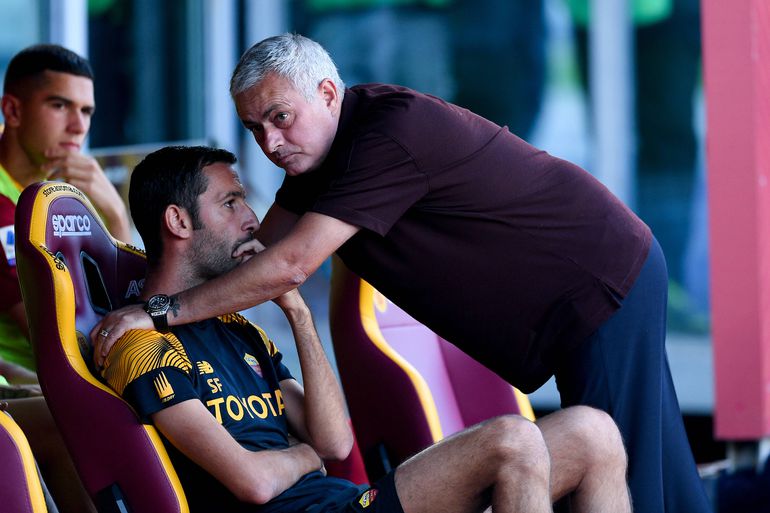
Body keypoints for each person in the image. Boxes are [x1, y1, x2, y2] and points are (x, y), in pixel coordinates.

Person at [93, 34, 709, 512]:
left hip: (595, 275)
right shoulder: (316, 164)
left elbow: (288, 264)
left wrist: (158, 311)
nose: (271, 143)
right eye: (255, 128)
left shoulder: (386, 134)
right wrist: (151, 270)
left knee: (629, 460)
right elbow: (257, 254)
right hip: (582, 286)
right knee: (643, 451)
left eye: (280, 117)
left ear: (328, 94)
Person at [101, 144, 630, 512]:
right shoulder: (141, 344)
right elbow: (255, 483)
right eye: (230, 202)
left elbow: (334, 441)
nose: (253, 220)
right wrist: (305, 456)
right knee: (511, 440)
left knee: (593, 432)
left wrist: (297, 313)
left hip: (345, 503)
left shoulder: (239, 329)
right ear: (178, 221)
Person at [0, 44, 131, 373]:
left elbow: (128, 301)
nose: (78, 126)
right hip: (34, 388)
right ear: (12, 111)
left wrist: (116, 212)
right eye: (59, 105)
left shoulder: (72, 190)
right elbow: (64, 343)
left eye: (86, 111)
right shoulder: (4, 204)